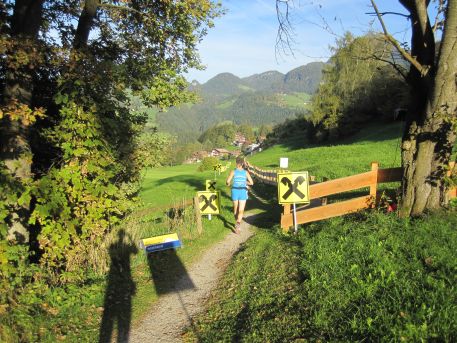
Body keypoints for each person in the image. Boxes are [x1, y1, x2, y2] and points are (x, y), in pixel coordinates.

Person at [226, 156, 254, 233]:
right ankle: (238, 224)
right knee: (241, 210)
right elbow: (251, 183)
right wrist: (245, 182)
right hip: (242, 191)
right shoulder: (246, 172)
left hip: (235, 191)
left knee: (235, 209)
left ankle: (237, 222)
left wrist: (228, 184)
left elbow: (228, 182)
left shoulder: (233, 171)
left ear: (236, 163)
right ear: (242, 163)